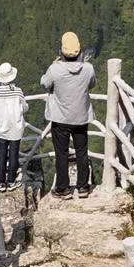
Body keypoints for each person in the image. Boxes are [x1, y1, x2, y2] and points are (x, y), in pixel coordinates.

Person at [41, 31, 96, 197]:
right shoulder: (88, 68)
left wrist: (53, 66)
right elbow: (91, 85)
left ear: (62, 51)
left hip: (60, 118)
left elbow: (44, 83)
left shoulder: (54, 69)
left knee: (62, 153)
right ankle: (83, 187)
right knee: (82, 151)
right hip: (81, 117)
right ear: (79, 51)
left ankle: (63, 188)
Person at [0, 62, 27, 187]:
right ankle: (11, 181)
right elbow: (24, 108)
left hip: (1, 127)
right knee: (14, 155)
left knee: (1, 154)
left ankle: (0, 181)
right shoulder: (18, 91)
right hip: (15, 127)